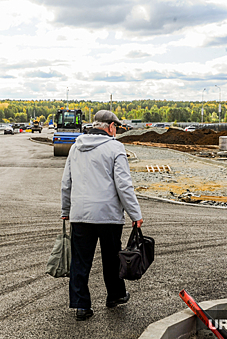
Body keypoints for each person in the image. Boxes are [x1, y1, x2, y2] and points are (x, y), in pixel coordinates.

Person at [61, 110, 143, 321]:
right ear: (110, 127)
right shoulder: (115, 147)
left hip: (80, 214)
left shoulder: (76, 147)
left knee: (80, 261)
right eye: (116, 127)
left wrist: (65, 210)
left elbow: (66, 182)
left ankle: (81, 306)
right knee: (112, 258)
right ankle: (115, 296)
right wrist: (135, 214)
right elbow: (124, 185)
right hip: (108, 215)